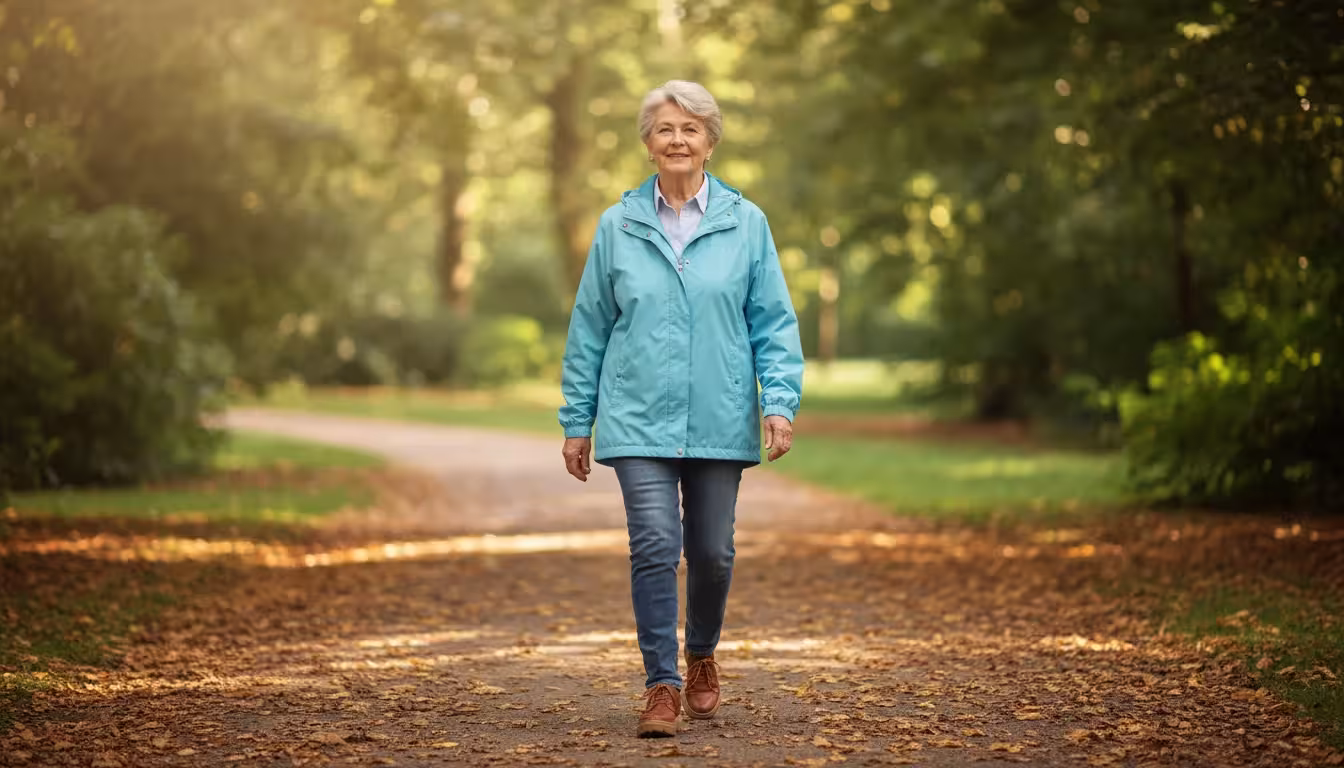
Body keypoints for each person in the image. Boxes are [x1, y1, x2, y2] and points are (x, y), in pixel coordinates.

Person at [557, 79, 804, 738]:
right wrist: (577, 420)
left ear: (710, 141)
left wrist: (777, 402)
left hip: (721, 414)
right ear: (648, 143)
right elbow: (589, 329)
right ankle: (661, 683)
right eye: (665, 129)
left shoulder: (747, 223)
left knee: (713, 552)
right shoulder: (619, 224)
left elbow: (773, 322)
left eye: (689, 128)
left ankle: (701, 655)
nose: (677, 140)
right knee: (655, 545)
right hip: (636, 415)